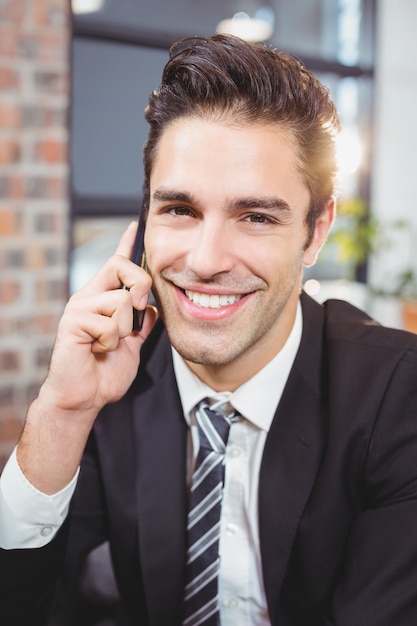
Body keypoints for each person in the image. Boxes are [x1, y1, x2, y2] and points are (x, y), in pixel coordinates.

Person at [1, 33, 417, 626]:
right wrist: (61, 414)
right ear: (145, 219)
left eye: (255, 216)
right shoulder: (114, 371)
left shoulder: (397, 395)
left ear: (315, 231)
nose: (205, 259)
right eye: (180, 210)